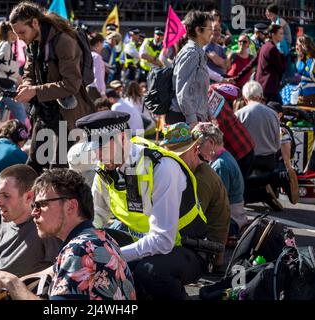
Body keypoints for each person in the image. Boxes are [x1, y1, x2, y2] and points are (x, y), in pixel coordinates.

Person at [77, 111, 208, 299]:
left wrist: (115, 256)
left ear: (122, 138)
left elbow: (163, 241)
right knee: (91, 245)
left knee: (149, 271)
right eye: (94, 149)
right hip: (142, 241)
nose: (98, 155)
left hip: (186, 249)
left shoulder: (162, 167)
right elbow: (96, 218)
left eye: (102, 147)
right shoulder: (106, 169)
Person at [0, 168, 136, 300]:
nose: (34, 212)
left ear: (70, 207)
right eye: (34, 206)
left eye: (42, 204)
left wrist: (13, 283)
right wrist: (24, 280)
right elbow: (53, 270)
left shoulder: (79, 250)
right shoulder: (99, 237)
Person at [9, 1, 95, 174]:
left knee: (58, 172)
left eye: (22, 32)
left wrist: (34, 91)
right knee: (34, 164)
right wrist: (26, 86)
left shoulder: (64, 41)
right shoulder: (33, 43)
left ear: (34, 23)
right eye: (16, 34)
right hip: (45, 113)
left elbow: (71, 84)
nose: (19, 38)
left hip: (67, 116)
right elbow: (29, 73)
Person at [160, 122, 230, 270]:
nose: (173, 161)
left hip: (207, 252)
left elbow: (184, 224)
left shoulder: (200, 181)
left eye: (179, 156)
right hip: (199, 241)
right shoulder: (193, 172)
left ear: (194, 150)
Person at [0, 164, 61, 277]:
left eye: (6, 196)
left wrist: (20, 283)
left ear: (29, 197)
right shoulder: (9, 215)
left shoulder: (45, 226)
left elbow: (61, 266)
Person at [193, 122, 249, 238]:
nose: (197, 151)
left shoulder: (220, 165)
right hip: (237, 217)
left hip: (231, 222)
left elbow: (215, 202)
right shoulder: (224, 156)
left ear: (211, 142)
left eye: (198, 146)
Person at [168, 10, 212, 126]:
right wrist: (192, 121)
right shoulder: (191, 54)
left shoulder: (197, 53)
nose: (212, 33)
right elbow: (182, 91)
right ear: (198, 30)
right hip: (184, 120)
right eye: (209, 29)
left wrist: (208, 113)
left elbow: (198, 92)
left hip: (194, 117)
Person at [231, 24, 286, 103]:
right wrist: (282, 55)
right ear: (273, 35)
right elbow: (281, 69)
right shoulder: (273, 49)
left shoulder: (264, 47)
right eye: (280, 33)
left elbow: (251, 64)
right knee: (277, 110)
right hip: (270, 89)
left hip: (261, 87)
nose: (282, 35)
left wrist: (236, 78)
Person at [0, 21, 27, 124]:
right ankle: (21, 137)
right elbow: (1, 64)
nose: (17, 34)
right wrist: (16, 75)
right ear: (9, 33)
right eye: (14, 31)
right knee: (21, 116)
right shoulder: (6, 45)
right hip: (7, 87)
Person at [295, 35, 315, 107]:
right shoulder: (301, 57)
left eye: (298, 45)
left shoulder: (312, 59)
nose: (296, 47)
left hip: (311, 95)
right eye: (296, 44)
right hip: (303, 94)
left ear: (304, 45)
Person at [87, 33, 106, 101]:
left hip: (86, 88)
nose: (103, 46)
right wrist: (102, 93)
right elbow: (98, 76)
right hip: (94, 90)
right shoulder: (97, 57)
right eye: (102, 43)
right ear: (98, 43)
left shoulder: (87, 55)